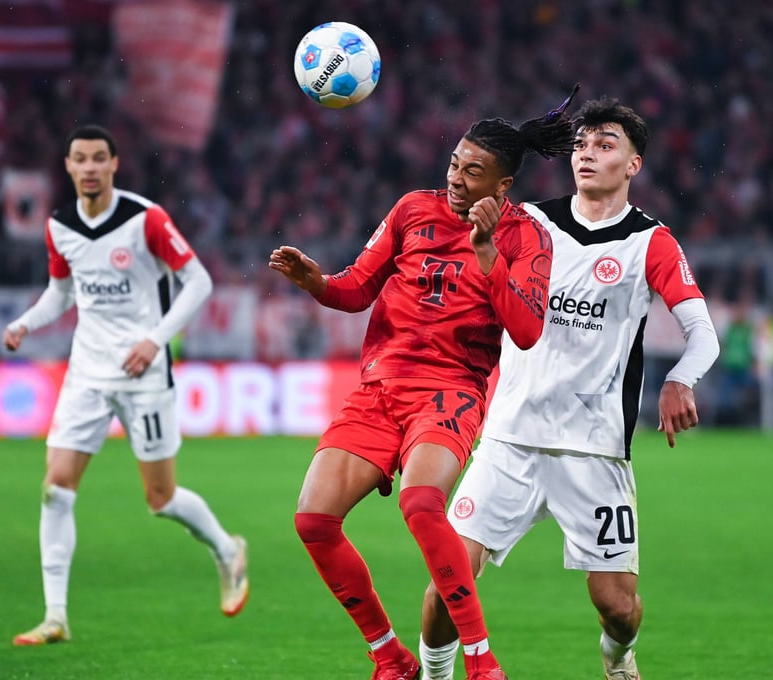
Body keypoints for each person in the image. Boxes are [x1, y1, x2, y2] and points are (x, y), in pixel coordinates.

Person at [269, 86, 578, 680]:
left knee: (421, 502)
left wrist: (486, 253)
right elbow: (356, 289)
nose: (456, 178)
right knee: (313, 520)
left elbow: (527, 332)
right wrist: (316, 282)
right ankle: (389, 657)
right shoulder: (413, 208)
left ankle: (481, 660)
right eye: (454, 164)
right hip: (380, 387)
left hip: (450, 391)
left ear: (503, 186)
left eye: (473, 172)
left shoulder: (526, 237)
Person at [418, 97, 720, 680]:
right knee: (447, 581)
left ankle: (619, 656)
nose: (587, 154)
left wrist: (680, 379)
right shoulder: (529, 222)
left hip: (594, 448)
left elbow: (702, 333)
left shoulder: (650, 243)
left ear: (633, 164)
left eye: (605, 146)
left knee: (618, 608)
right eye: (581, 144)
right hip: (509, 439)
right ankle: (434, 676)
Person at [3, 124, 248, 646]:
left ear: (114, 164)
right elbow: (61, 293)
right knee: (55, 488)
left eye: (99, 158)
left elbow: (198, 281)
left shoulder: (145, 219)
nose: (89, 167)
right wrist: (26, 322)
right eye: (80, 158)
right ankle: (55, 616)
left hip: (144, 377)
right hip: (87, 374)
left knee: (160, 498)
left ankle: (228, 550)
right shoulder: (59, 226)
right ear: (68, 166)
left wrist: (155, 341)